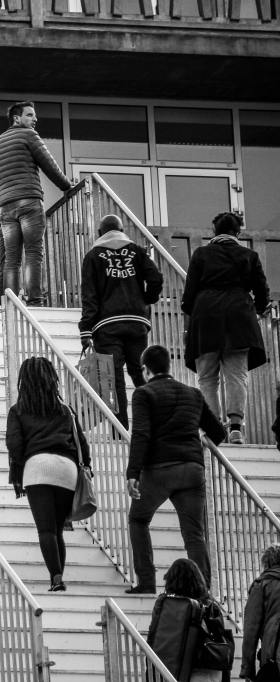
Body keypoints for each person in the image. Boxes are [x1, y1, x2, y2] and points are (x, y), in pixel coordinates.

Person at [125, 345, 227, 594]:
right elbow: (219, 433)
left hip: (159, 469)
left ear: (146, 370)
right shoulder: (193, 394)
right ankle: (203, 590)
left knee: (138, 519)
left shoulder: (143, 394)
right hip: (192, 469)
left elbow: (141, 434)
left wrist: (132, 473)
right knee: (194, 532)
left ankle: (147, 581)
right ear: (169, 367)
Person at [181, 211, 270, 446]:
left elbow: (188, 296)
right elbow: (262, 291)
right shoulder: (248, 255)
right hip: (239, 319)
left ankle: (213, 428)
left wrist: (190, 322)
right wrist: (259, 310)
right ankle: (236, 428)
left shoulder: (201, 254)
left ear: (214, 232)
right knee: (237, 375)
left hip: (205, 317)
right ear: (237, 232)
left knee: (207, 376)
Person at [6, 356, 91, 592]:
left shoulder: (18, 410)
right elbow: (81, 443)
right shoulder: (65, 409)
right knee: (57, 529)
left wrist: (19, 469)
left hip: (37, 469)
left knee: (45, 530)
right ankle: (58, 576)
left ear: (24, 381)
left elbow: (14, 444)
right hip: (67, 470)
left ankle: (56, 578)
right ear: (51, 379)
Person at [79, 214, 164, 429]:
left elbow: (90, 296)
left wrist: (86, 329)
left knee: (112, 376)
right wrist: (146, 299)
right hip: (136, 322)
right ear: (122, 230)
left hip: (106, 325)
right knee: (140, 372)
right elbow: (156, 278)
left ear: (100, 233)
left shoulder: (93, 256)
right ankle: (154, 422)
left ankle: (121, 428)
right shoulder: (137, 251)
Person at [0, 101, 73, 307]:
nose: (35, 119)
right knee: (33, 252)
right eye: (30, 115)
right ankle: (34, 300)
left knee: (11, 259)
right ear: (17, 118)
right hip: (29, 201)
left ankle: (11, 303)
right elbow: (49, 165)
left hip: (5, 208)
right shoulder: (28, 135)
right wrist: (66, 186)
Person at [146, 558, 229, 682]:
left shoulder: (164, 605)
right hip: (202, 671)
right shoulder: (209, 606)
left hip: (169, 669)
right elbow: (219, 640)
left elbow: (152, 636)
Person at [241, 545, 280, 681]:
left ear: (267, 563)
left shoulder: (262, 585)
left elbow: (250, 633)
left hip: (274, 659)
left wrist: (248, 671)